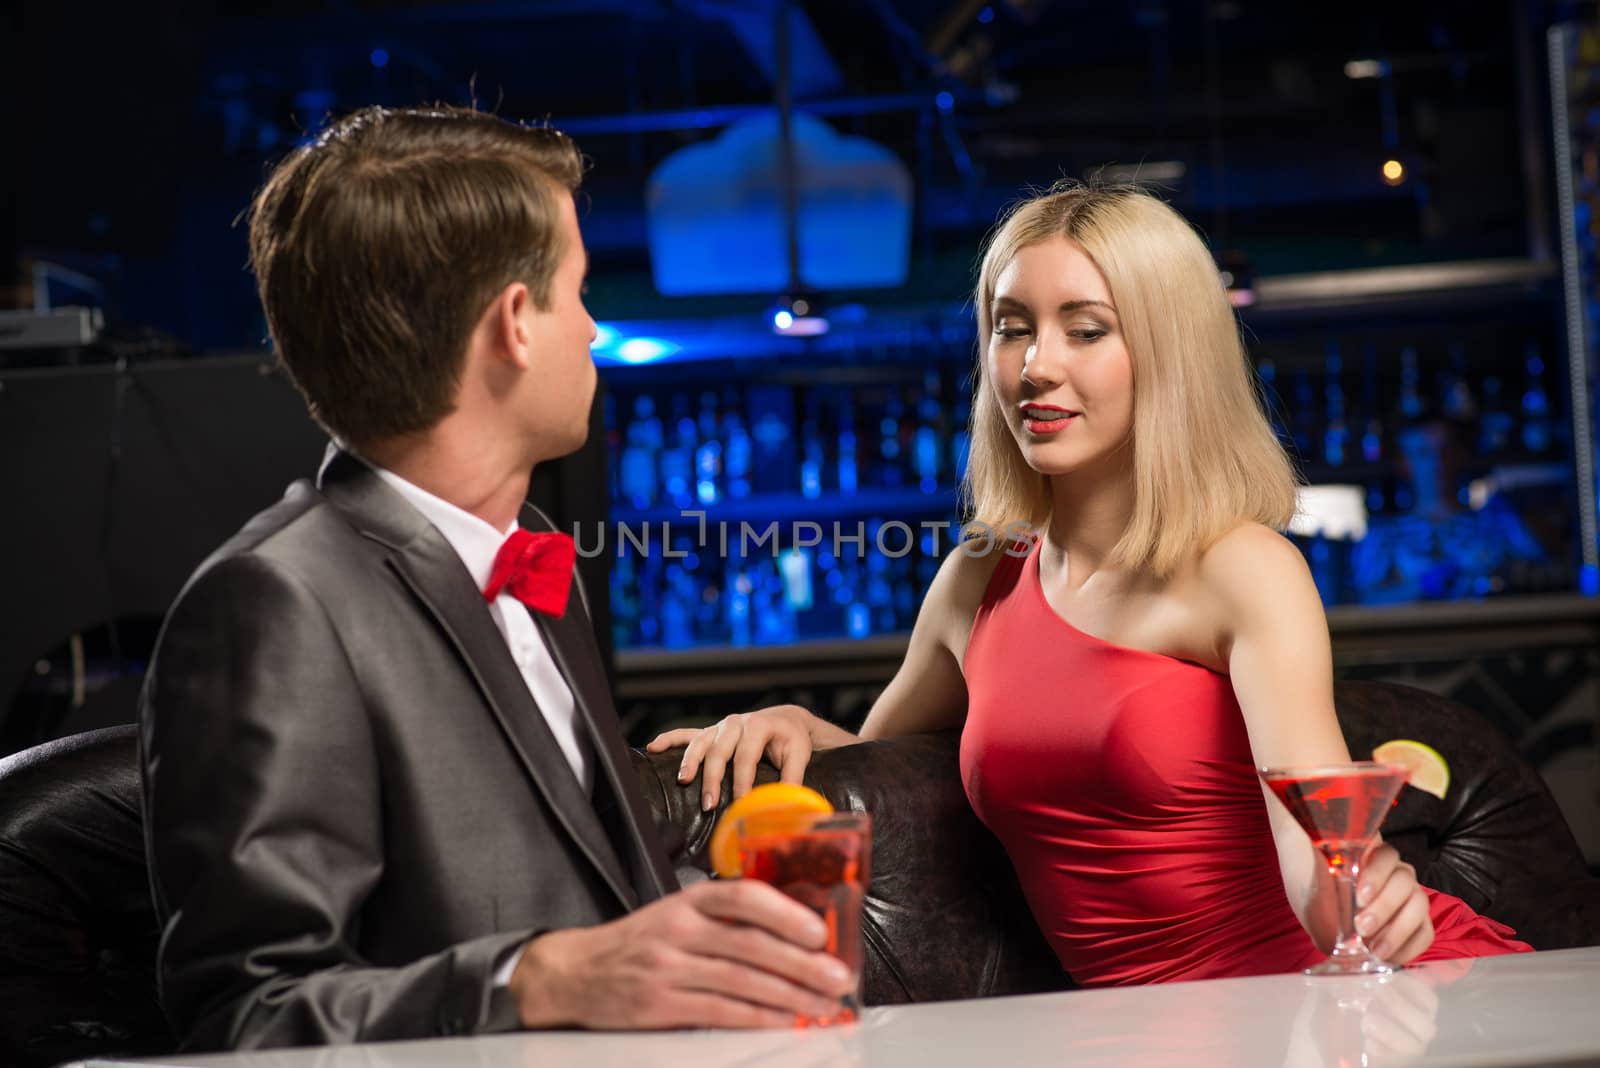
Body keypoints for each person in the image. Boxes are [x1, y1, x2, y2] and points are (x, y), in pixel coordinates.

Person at [651, 181, 1532, 985]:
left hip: (1321, 999)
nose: (1036, 365)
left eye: (1086, 328)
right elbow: (884, 770)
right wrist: (789, 726)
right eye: (1010, 325)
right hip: (1121, 1031)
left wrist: (1368, 900)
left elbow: (1316, 852)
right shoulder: (977, 582)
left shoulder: (1242, 569)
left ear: (1167, 353)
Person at [139, 105, 854, 1052]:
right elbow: (247, 1018)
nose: (595, 333)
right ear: (516, 324)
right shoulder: (272, 605)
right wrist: (545, 977)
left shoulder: (535, 548)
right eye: (581, 292)